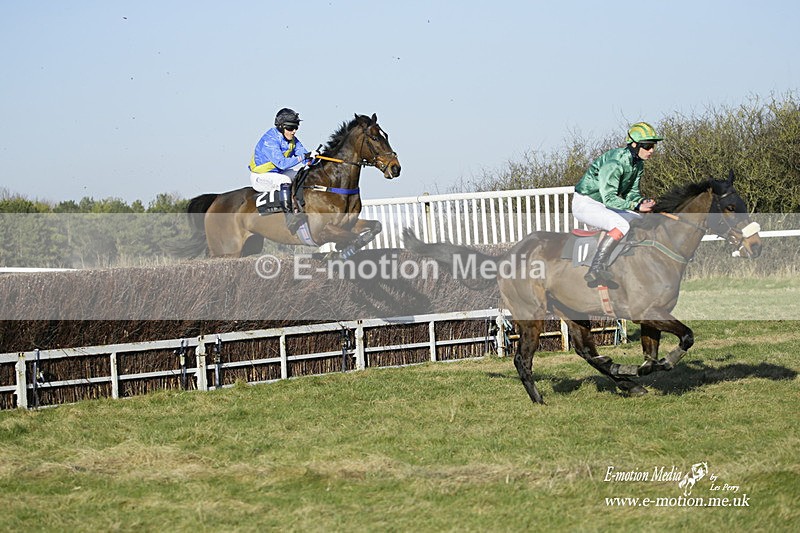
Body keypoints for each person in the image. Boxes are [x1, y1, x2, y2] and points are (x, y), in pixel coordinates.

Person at [572, 121, 663, 286]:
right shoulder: (614, 163)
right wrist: (636, 206)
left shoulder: (638, 164)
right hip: (586, 204)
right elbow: (610, 199)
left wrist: (643, 202)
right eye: (648, 146)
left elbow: (632, 194)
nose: (652, 150)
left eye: (653, 146)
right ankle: (596, 267)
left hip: (602, 205)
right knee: (621, 225)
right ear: (634, 145)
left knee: (640, 221)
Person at [249, 108, 317, 230]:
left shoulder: (293, 140)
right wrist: (303, 157)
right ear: (281, 127)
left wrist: (313, 158)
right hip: (260, 177)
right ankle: (289, 217)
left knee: (304, 175)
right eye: (290, 128)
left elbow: (304, 156)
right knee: (284, 181)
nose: (294, 131)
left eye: (296, 128)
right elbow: (282, 163)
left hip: (278, 173)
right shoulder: (270, 140)